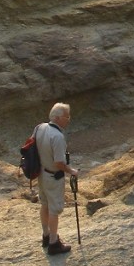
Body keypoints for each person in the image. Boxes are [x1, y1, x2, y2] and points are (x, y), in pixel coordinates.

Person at [35, 102, 79, 255]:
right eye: (67, 116)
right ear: (58, 118)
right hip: (53, 177)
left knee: (45, 204)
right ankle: (54, 243)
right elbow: (59, 163)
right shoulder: (58, 137)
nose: (69, 119)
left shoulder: (40, 127)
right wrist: (71, 171)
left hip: (41, 173)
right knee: (54, 209)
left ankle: (46, 235)